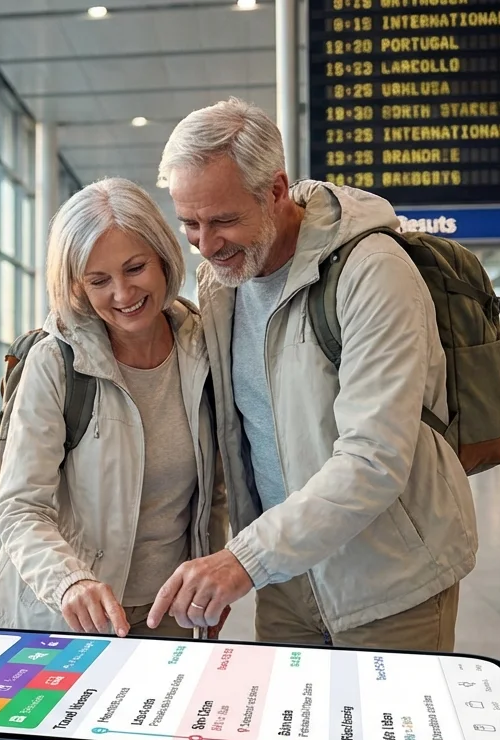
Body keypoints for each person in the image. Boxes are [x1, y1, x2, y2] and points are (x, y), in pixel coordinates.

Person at [145, 97, 476, 652]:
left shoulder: (372, 271)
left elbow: (373, 457)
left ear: (275, 191)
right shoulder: (219, 284)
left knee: (381, 736)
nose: (206, 243)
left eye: (223, 220)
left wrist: (240, 562)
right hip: (285, 577)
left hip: (387, 581)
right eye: (189, 224)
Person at [0, 177, 227, 638]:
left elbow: (212, 493)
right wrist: (70, 582)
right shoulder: (56, 362)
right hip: (68, 617)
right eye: (99, 280)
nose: (122, 294)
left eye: (135, 268)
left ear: (162, 257)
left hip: (170, 613)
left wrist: (209, 588)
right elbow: (20, 507)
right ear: (78, 287)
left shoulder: (203, 349)